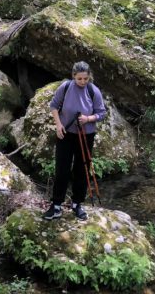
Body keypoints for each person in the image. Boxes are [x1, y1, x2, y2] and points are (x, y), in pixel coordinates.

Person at [43, 61, 106, 222]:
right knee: (61, 169)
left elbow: (101, 113)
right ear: (73, 77)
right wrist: (58, 125)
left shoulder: (93, 91)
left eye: (85, 78)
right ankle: (56, 205)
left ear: (89, 77)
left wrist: (88, 118)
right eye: (79, 79)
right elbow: (54, 106)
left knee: (82, 169)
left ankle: (77, 203)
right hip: (65, 133)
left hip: (86, 134)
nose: (83, 82)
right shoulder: (65, 87)